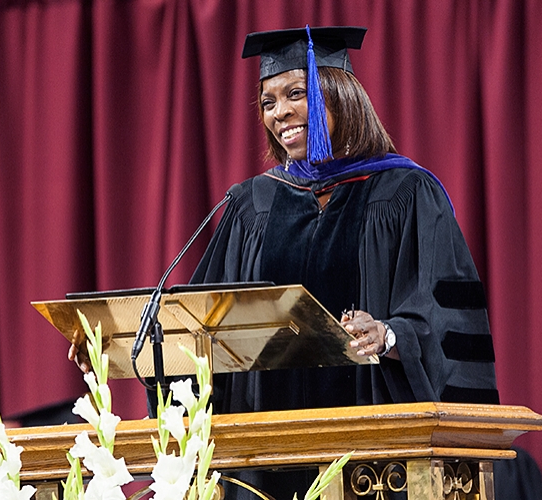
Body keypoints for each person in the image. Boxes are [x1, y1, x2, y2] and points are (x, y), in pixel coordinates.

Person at [70, 24, 499, 499]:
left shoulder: (406, 194)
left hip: (377, 462)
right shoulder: (253, 204)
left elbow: (448, 321)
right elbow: (201, 327)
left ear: (340, 93)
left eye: (296, 93)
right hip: (265, 460)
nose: (281, 113)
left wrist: (391, 334)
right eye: (268, 102)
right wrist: (117, 345)